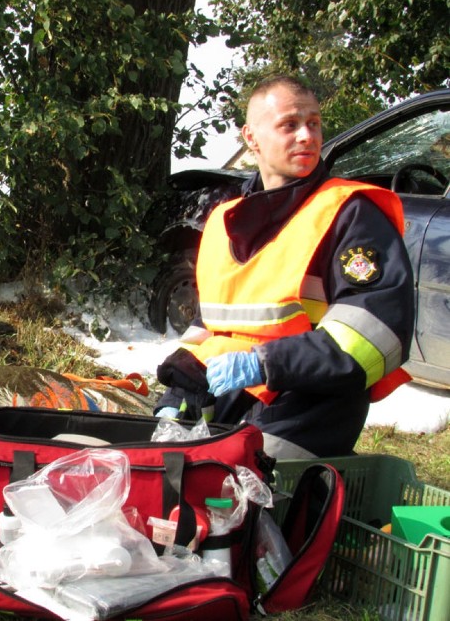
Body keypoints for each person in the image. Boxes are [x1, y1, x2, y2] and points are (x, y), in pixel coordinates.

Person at [154, 75, 415, 459]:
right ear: (251, 137)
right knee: (164, 467)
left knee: (242, 485)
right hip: (234, 394)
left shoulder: (351, 213)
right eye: (290, 125)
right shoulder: (225, 219)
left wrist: (263, 363)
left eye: (314, 123)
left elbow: (376, 336)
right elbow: (210, 323)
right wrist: (181, 387)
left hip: (310, 403)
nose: (307, 136)